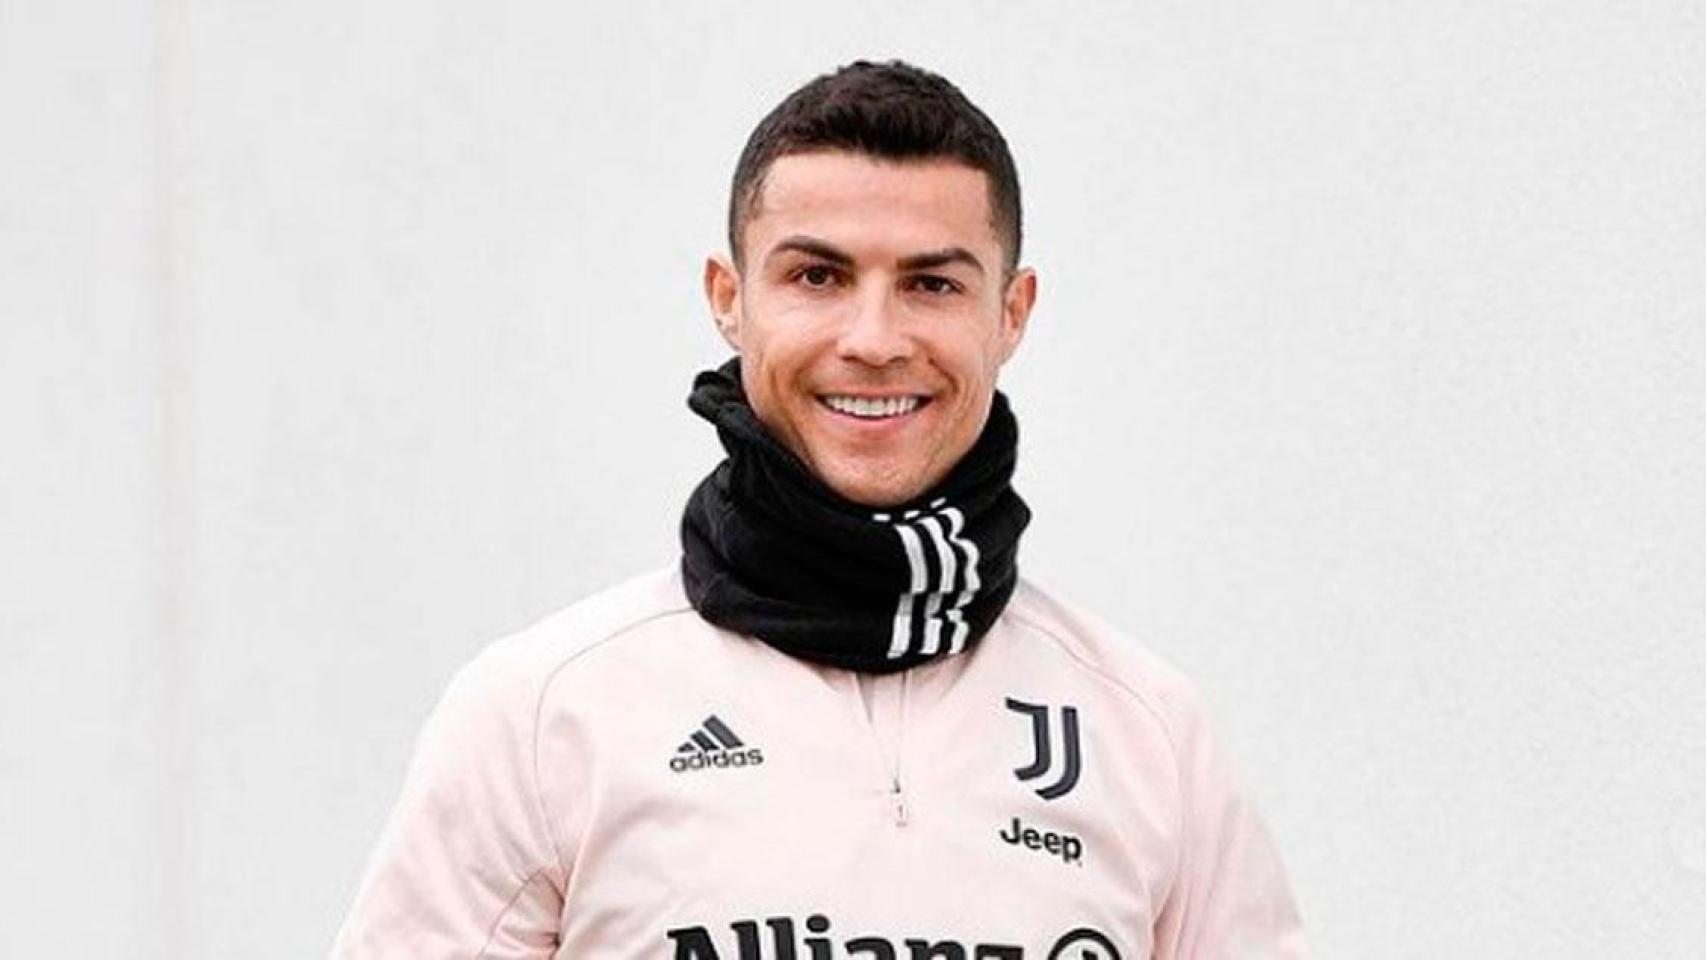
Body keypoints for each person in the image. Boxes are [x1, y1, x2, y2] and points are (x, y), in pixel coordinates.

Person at [331, 59, 1305, 959]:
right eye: (817, 277)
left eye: (931, 283)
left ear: (1010, 314)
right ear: (728, 297)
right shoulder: (544, 715)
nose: (873, 339)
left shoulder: (1147, 732)